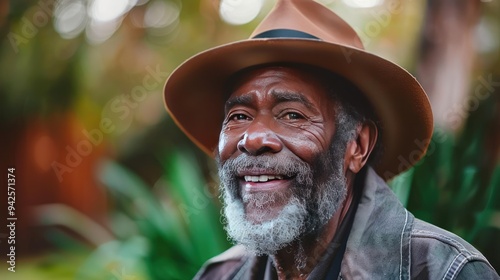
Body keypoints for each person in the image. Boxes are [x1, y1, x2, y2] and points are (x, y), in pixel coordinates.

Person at [163, 0, 500, 279]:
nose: (253, 139)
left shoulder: (444, 271)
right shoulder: (220, 276)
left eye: (292, 114)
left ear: (357, 146)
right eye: (238, 117)